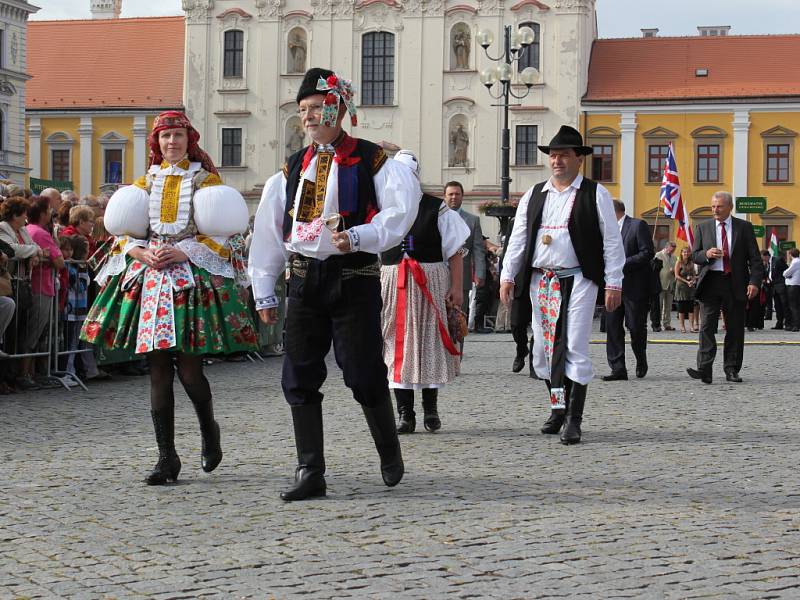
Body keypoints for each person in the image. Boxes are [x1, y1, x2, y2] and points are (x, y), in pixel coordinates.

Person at [248, 68, 420, 501]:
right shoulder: (291, 168)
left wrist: (360, 236)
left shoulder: (372, 158)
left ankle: (388, 449)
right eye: (303, 109)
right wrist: (264, 288)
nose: (307, 116)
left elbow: (400, 212)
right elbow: (270, 231)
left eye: (315, 108)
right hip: (305, 279)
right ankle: (310, 470)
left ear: (338, 108)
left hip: (354, 276)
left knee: (362, 371)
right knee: (299, 373)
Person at [80, 111, 258, 485]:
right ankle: (167, 457)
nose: (171, 142)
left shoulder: (206, 180)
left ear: (187, 139)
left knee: (190, 369)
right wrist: (139, 251)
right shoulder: (145, 182)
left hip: (189, 283)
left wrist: (186, 251)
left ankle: (209, 431)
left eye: (177, 135)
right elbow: (123, 232)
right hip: (152, 282)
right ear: (156, 143)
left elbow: (227, 234)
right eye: (164, 137)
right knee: (158, 370)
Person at [500, 125, 625, 444]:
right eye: (553, 155)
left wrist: (614, 282)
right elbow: (519, 238)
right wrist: (507, 275)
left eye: (564, 155)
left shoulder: (595, 193)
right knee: (542, 350)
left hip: (580, 278)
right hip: (542, 279)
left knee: (573, 345)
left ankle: (574, 418)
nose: (557, 161)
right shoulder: (534, 193)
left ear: (578, 159)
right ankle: (557, 406)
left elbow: (612, 241)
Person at [379, 150, 468, 434]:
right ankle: (405, 413)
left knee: (430, 341)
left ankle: (430, 409)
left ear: (416, 176)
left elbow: (455, 251)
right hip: (393, 282)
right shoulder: (383, 207)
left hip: (430, 281)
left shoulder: (435, 207)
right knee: (395, 341)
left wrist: (456, 287)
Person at [687, 191, 762, 384]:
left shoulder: (744, 227)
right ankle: (705, 369)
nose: (715, 210)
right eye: (713, 206)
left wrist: (754, 282)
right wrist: (706, 253)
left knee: (735, 328)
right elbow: (694, 255)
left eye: (719, 206)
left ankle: (731, 369)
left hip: (735, 283)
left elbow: (755, 260)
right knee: (706, 327)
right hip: (711, 282)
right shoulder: (703, 227)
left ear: (730, 207)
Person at [602, 200, 654, 380]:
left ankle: (641, 358)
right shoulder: (605, 230)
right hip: (611, 286)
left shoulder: (637, 225)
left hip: (634, 287)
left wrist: (622, 264)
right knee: (613, 327)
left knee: (635, 327)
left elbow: (647, 252)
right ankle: (618, 368)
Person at [0, 197, 44, 390]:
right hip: (10, 284)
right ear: (15, 214)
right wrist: (33, 250)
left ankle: (16, 375)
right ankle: (7, 375)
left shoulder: (23, 230)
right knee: (10, 332)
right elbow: (12, 250)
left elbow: (37, 249)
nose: (27, 216)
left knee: (22, 331)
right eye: (24, 213)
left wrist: (33, 251)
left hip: (24, 285)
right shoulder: (3, 228)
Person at [25, 196, 65, 384]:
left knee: (33, 331)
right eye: (49, 210)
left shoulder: (29, 230)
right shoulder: (40, 233)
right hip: (41, 287)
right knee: (34, 332)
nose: (51, 213)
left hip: (37, 285)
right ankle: (26, 373)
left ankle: (30, 372)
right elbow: (60, 261)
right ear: (42, 213)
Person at [444, 181, 485, 332]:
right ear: (445, 196)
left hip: (463, 277)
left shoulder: (473, 220)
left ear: (462, 196)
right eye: (450, 194)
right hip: (438, 274)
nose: (454, 197)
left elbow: (478, 249)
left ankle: (458, 353)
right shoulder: (436, 218)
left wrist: (480, 273)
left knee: (459, 318)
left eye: (457, 194)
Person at [673, 246, 698, 333]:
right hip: (681, 288)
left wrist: (693, 280)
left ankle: (691, 327)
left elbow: (694, 274)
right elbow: (676, 275)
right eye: (684, 252)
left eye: (687, 252)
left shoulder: (691, 263)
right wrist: (686, 282)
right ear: (681, 253)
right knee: (681, 308)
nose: (686, 254)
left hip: (690, 288)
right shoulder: (678, 262)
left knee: (691, 308)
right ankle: (682, 327)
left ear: (690, 253)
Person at [745, 250, 771, 331]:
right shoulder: (745, 264)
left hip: (755, 287)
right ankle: (748, 323)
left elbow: (764, 275)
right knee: (748, 307)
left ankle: (752, 324)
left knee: (755, 307)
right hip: (746, 286)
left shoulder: (757, 264)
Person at [654, 241, 677, 331]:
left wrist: (674, 272)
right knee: (659, 305)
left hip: (670, 284)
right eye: (672, 249)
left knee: (668, 306)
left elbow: (677, 270)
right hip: (660, 283)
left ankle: (667, 324)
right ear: (667, 247)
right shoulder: (658, 255)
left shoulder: (675, 257)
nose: (673, 251)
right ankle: (657, 324)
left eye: (674, 250)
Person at [770, 249, 790, 329]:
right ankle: (779, 323)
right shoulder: (768, 263)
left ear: (766, 256)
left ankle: (788, 323)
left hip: (781, 286)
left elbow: (786, 269)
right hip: (774, 287)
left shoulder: (778, 260)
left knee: (784, 305)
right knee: (777, 306)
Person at [784, 248, 800, 332]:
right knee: (797, 305)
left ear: (790, 254)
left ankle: (796, 325)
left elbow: (786, 273)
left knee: (793, 306)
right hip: (797, 285)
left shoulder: (795, 262)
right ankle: (797, 324)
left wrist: (786, 274)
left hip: (792, 286)